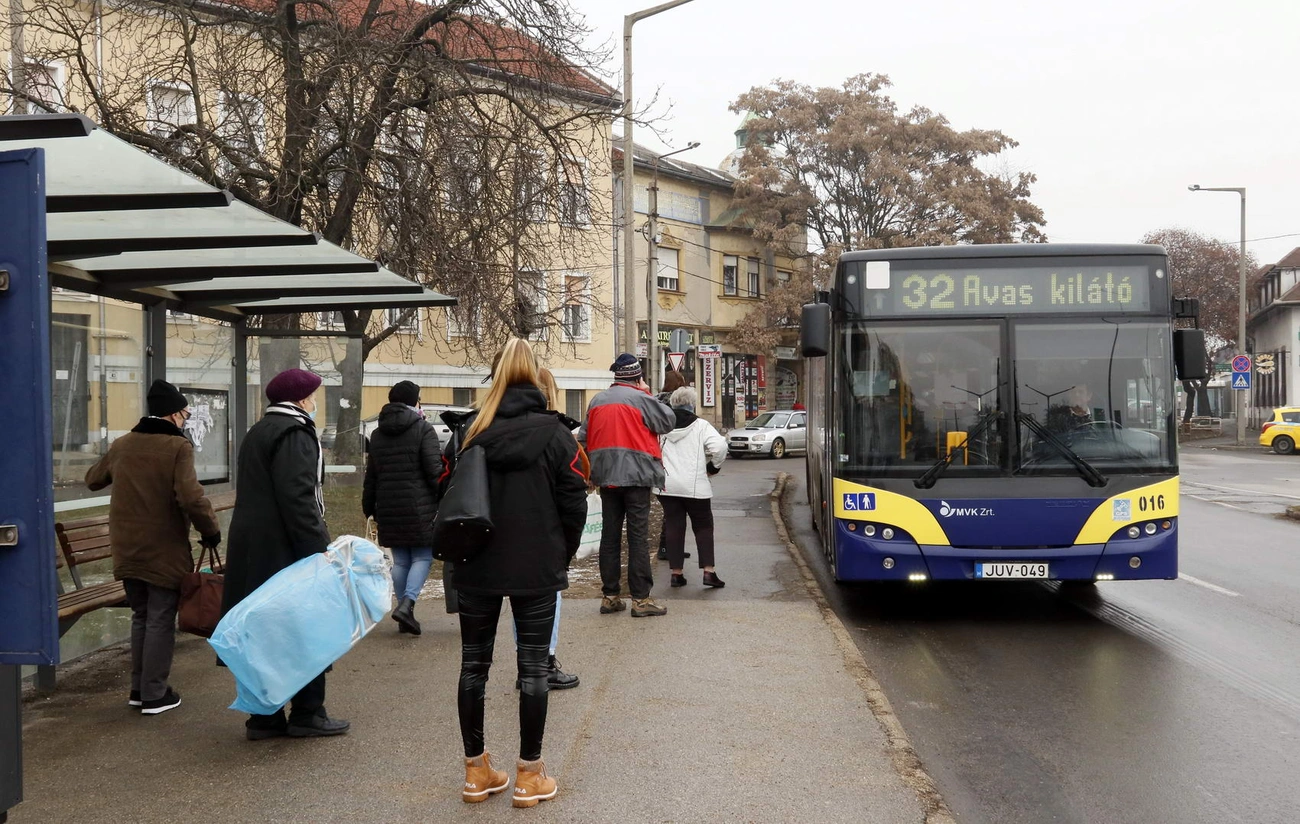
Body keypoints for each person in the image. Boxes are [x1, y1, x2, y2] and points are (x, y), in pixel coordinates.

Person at [448, 338, 588, 807]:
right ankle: (530, 774)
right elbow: (574, 501)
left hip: (476, 562)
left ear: (495, 375)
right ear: (535, 375)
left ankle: (476, 772)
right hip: (536, 563)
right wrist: (561, 554)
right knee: (533, 669)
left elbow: (447, 492)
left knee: (473, 667)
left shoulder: (470, 429)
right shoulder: (556, 434)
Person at [222, 368, 349, 741]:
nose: (315, 402)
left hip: (256, 548)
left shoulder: (260, 430)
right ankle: (308, 713)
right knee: (305, 629)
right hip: (285, 548)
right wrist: (318, 550)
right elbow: (299, 498)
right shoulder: (295, 433)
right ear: (302, 399)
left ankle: (264, 716)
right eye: (313, 396)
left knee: (265, 634)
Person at [84, 379, 221, 716]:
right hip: (163, 549)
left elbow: (93, 479)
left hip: (127, 547)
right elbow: (191, 498)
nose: (186, 419)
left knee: (141, 615)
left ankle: (139, 689)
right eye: (185, 413)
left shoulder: (123, 444)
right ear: (173, 414)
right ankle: (154, 694)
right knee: (160, 617)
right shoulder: (177, 447)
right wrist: (210, 531)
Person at [579, 353, 675, 618]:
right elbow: (668, 422)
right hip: (637, 477)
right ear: (637, 377)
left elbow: (584, 437)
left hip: (605, 477)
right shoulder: (641, 398)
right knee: (637, 537)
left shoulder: (597, 400)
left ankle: (610, 597)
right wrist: (647, 393)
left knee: (609, 537)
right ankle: (641, 600)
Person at [512, 366, 582, 690]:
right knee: (546, 600)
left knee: (518, 600)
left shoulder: (492, 428)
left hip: (507, 533)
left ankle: (526, 662)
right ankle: (543, 662)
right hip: (545, 536)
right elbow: (572, 498)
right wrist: (567, 549)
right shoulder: (556, 433)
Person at [363, 380, 441, 636]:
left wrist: (368, 506)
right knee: (422, 557)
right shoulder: (423, 429)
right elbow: (434, 471)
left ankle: (404, 612)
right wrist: (445, 494)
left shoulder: (378, 433)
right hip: (419, 506)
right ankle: (407, 604)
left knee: (401, 561)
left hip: (387, 505)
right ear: (414, 401)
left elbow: (371, 475)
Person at [657, 386, 728, 588]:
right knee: (703, 526)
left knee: (674, 526)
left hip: (667, 484)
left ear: (672, 404)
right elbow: (720, 447)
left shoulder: (662, 425)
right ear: (692, 405)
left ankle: (676, 573)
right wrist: (713, 467)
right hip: (695, 486)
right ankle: (708, 572)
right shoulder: (701, 425)